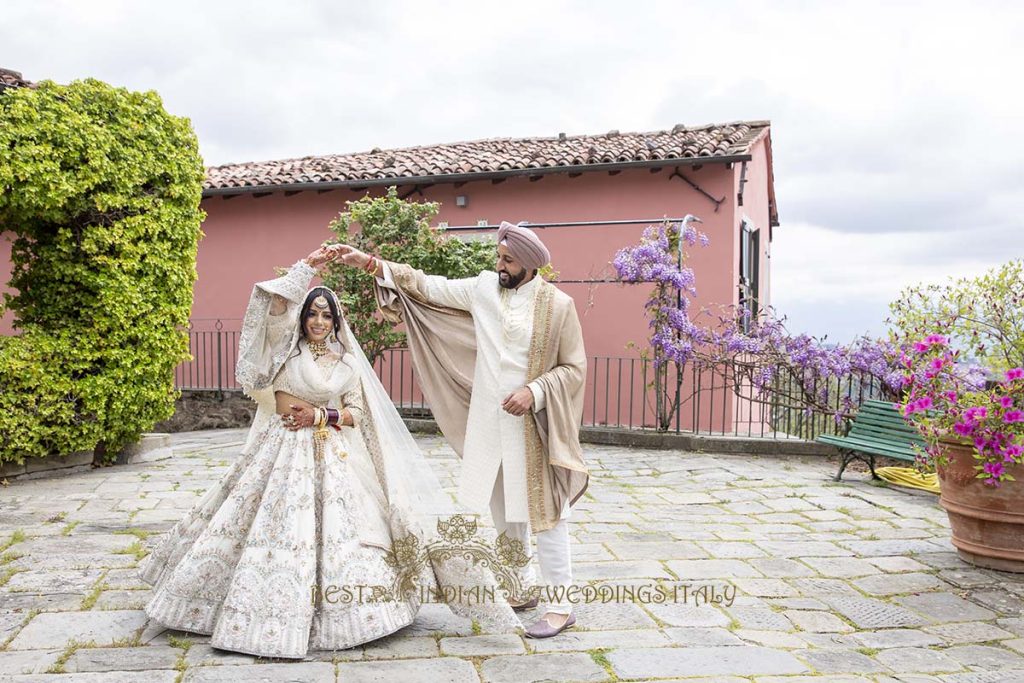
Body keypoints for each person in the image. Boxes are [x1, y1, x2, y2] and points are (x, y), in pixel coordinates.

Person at [138, 245, 519, 658]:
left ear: (336, 322)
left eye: (326, 315)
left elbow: (355, 412)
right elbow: (271, 331)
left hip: (333, 452)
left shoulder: (346, 361)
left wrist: (321, 415)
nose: (319, 321)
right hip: (283, 453)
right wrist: (304, 269)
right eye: (312, 313)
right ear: (302, 318)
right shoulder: (286, 350)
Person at [336, 221, 590, 638]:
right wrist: (369, 263)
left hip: (536, 426)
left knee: (549, 514)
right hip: (490, 425)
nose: (500, 265)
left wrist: (534, 391)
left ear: (528, 263)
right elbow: (426, 286)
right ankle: (519, 587)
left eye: (508, 260)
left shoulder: (558, 305)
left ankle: (561, 608)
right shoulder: (484, 289)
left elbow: (574, 367)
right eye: (499, 257)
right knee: (505, 511)